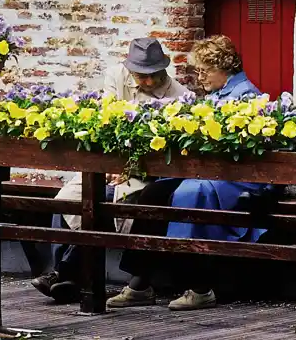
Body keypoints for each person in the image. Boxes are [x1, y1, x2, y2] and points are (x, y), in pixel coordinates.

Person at [106, 35, 267, 311]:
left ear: (224, 68)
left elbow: (239, 155)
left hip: (236, 181)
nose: (200, 77)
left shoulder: (245, 95)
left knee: (187, 195)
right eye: (198, 71)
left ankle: (200, 288)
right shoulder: (217, 93)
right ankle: (139, 284)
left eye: (205, 71)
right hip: (208, 174)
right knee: (152, 194)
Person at [31, 38, 188, 303]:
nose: (147, 82)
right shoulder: (116, 76)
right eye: (141, 76)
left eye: (153, 76)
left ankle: (66, 274)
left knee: (102, 201)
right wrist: (112, 166)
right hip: (107, 167)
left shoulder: (179, 95)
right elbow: (107, 123)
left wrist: (130, 169)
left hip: (144, 175)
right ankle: (67, 273)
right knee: (68, 198)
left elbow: (166, 152)